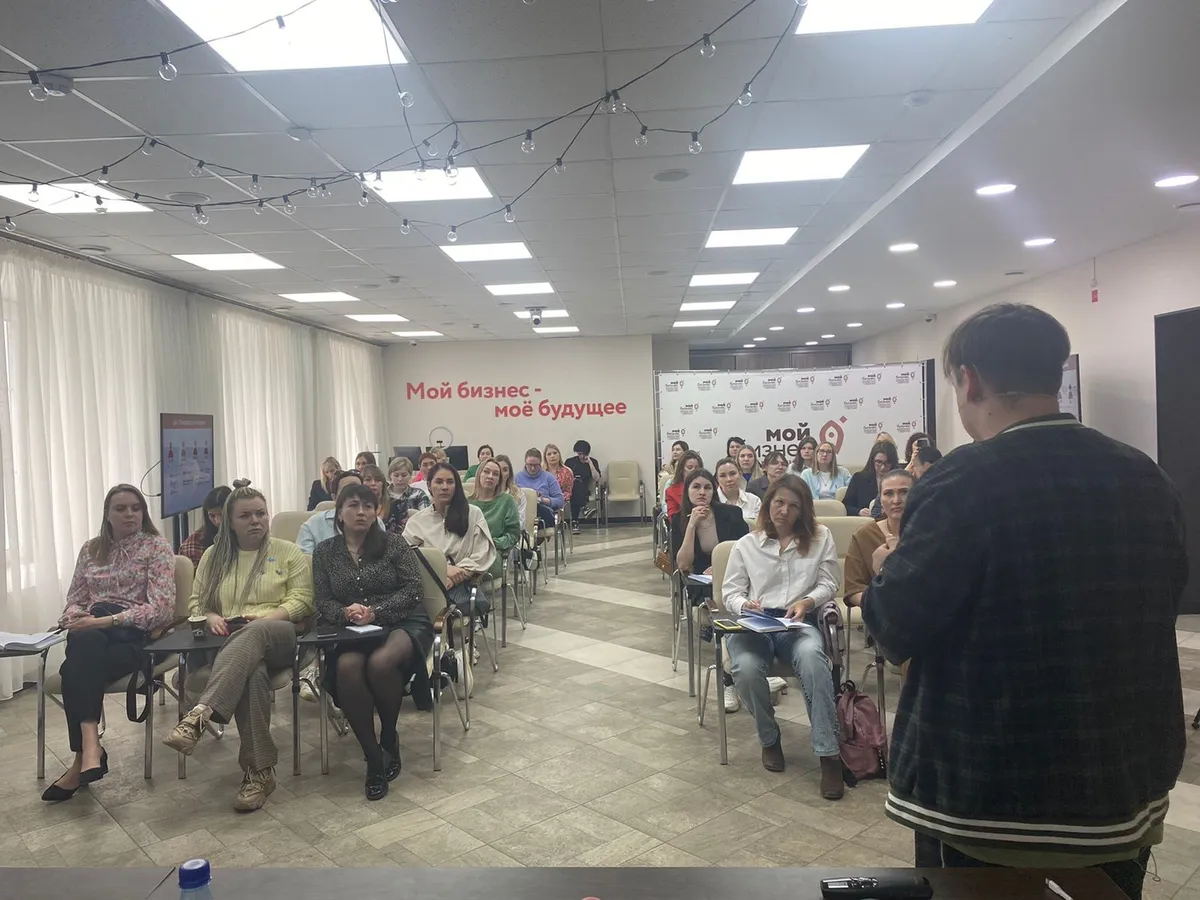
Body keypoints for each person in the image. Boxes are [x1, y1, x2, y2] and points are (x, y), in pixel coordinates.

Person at [861, 304, 1187, 898]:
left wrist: (885, 567)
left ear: (969, 380)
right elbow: (1165, 598)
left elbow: (894, 626)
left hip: (989, 784)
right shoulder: (1146, 475)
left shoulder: (961, 480)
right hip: (1122, 773)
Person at [164, 481, 314, 811]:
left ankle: (200, 713)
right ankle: (259, 773)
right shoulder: (214, 556)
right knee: (253, 675)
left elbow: (302, 600)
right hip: (230, 642)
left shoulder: (287, 551)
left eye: (261, 513)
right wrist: (211, 617)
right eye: (245, 516)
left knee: (256, 634)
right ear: (229, 522)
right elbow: (196, 603)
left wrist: (266, 619)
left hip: (280, 634)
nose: (255, 520)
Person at [42, 485, 176, 803]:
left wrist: (104, 621)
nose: (129, 514)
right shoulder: (91, 549)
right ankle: (90, 744)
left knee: (76, 665)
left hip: (137, 639)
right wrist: (74, 618)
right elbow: (75, 600)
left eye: (135, 508)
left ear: (143, 512)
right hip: (93, 638)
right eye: (120, 508)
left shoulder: (156, 547)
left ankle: (84, 756)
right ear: (107, 514)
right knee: (85, 645)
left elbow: (161, 609)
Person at [722, 475, 843, 798]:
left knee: (814, 662)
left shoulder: (820, 537)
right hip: (756, 623)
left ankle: (829, 753)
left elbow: (829, 582)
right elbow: (730, 593)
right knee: (746, 669)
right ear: (768, 504)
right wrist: (745, 604)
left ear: (803, 510)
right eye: (778, 503)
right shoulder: (747, 545)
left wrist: (808, 602)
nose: (784, 511)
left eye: (793, 506)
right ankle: (769, 737)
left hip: (797, 622)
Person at [312, 484, 431, 801]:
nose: (362, 512)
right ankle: (373, 757)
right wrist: (345, 612)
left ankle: (389, 735)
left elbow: (413, 590)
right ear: (340, 513)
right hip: (352, 629)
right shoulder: (324, 552)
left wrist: (376, 611)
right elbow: (322, 600)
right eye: (353, 505)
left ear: (376, 512)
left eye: (368, 506)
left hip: (402, 620)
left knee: (381, 663)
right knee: (347, 668)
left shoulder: (393, 543)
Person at [671, 468, 748, 714]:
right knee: (722, 614)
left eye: (707, 487)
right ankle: (730, 681)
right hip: (701, 587)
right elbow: (682, 565)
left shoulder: (731, 513)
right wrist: (691, 525)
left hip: (734, 581)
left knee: (743, 609)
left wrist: (722, 565)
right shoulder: (679, 520)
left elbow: (747, 551)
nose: (702, 492)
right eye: (696, 487)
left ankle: (745, 672)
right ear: (687, 491)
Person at [403, 463, 497, 619]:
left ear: (456, 485)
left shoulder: (473, 514)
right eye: (439, 482)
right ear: (429, 485)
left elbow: (482, 553)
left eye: (450, 482)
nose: (444, 487)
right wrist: (444, 569)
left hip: (461, 585)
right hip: (427, 587)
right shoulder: (417, 521)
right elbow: (405, 556)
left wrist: (456, 575)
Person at [843, 469, 912, 609]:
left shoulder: (930, 532)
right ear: (880, 499)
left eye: (904, 492)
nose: (896, 500)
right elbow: (853, 590)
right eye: (888, 493)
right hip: (881, 615)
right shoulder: (864, 536)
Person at [468, 459, 522, 580]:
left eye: (496, 474)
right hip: (468, 552)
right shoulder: (467, 502)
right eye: (486, 472)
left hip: (492, 553)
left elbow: (514, 534)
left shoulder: (506, 501)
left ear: (499, 480)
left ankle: (464, 576)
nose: (490, 476)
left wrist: (492, 543)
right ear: (479, 474)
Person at [297, 470, 365, 554]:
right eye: (347, 491)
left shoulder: (374, 522)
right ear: (334, 498)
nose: (355, 496)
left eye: (359, 490)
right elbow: (304, 560)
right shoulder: (313, 526)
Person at [179, 485, 233, 568]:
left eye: (221, 515)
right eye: (212, 516)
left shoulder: (245, 535)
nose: (217, 521)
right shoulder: (194, 543)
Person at [843, 441, 899, 517]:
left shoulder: (899, 480)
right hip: (864, 521)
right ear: (872, 461)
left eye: (887, 463)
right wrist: (858, 511)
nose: (883, 467)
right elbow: (845, 506)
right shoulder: (859, 478)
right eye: (879, 462)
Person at [514, 447, 564, 531]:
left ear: (540, 464)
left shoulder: (548, 477)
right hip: (522, 512)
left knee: (538, 507)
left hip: (543, 514)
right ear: (525, 463)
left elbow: (560, 500)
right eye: (530, 465)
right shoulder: (517, 478)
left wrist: (542, 499)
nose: (532, 468)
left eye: (536, 465)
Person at [385, 455, 430, 533]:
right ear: (390, 476)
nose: (400, 479)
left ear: (410, 475)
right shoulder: (383, 496)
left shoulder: (419, 494)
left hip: (413, 534)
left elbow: (427, 519)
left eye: (404, 475)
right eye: (396, 475)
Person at [566, 440, 602, 534]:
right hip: (570, 488)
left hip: (585, 490)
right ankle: (585, 508)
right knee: (575, 484)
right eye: (579, 454)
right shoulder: (570, 462)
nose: (581, 456)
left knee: (577, 489)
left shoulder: (593, 462)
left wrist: (590, 463)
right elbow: (565, 476)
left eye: (584, 454)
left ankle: (575, 522)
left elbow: (597, 478)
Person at [714, 457, 761, 525]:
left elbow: (760, 528)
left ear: (740, 474)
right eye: (723, 476)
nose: (729, 479)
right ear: (717, 479)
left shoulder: (754, 501)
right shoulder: (712, 501)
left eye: (732, 474)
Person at [664, 450, 703, 519]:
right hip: (684, 524)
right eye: (689, 468)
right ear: (682, 470)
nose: (694, 471)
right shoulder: (671, 491)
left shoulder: (707, 487)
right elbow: (673, 518)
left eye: (697, 468)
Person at [495, 454, 528, 527]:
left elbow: (521, 523)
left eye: (505, 470)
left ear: (509, 473)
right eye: (498, 470)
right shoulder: (486, 493)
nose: (501, 473)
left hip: (512, 531)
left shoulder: (518, 494)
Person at [544, 444, 574, 517]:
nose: (552, 456)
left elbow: (568, 491)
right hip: (544, 499)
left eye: (555, 453)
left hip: (560, 499)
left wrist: (557, 499)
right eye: (549, 454)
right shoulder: (541, 472)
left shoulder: (567, 471)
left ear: (559, 455)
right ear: (545, 457)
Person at [658, 440, 689, 507]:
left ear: (685, 452)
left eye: (678, 450)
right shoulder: (667, 467)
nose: (675, 452)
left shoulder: (690, 466)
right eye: (673, 450)